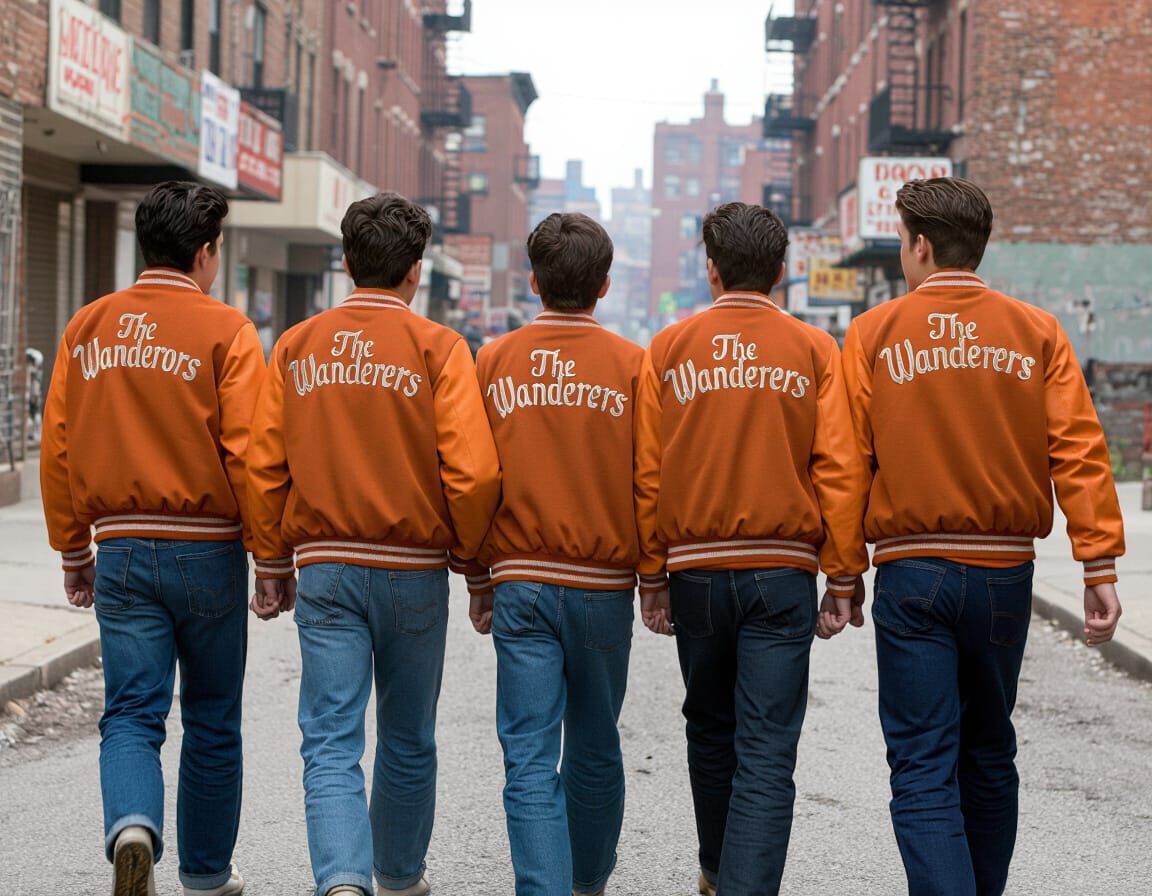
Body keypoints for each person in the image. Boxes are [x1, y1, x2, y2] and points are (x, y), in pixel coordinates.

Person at [840, 176, 1125, 896]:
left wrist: (842, 571)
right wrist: (1098, 564)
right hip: (1003, 572)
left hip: (911, 572)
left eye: (903, 244)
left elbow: (844, 464)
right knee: (991, 750)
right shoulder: (1036, 332)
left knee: (923, 760)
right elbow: (1080, 449)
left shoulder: (874, 334)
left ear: (923, 245)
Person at [245, 191, 500, 896]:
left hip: (325, 566)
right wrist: (471, 558)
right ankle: (398, 878)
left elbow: (264, 464)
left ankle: (342, 879)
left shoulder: (295, 346)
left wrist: (270, 560)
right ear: (416, 270)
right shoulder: (440, 349)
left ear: (347, 261)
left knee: (329, 738)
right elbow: (474, 473)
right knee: (409, 735)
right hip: (415, 569)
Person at [633, 202, 868, 896]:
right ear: (783, 271)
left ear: (711, 269)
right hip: (782, 571)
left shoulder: (668, 350)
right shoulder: (814, 350)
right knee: (767, 746)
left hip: (698, 572)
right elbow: (840, 469)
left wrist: (652, 572)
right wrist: (844, 574)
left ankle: (714, 869)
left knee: (708, 725)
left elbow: (649, 471)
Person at [40, 181, 265, 896]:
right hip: (208, 549)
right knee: (211, 716)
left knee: (132, 711)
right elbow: (249, 455)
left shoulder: (87, 327)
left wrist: (74, 548)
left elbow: (59, 448)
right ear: (204, 253)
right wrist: (271, 555)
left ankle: (133, 823)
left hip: (125, 548)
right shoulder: (227, 332)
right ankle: (204, 875)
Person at [463, 213, 650, 896]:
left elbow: (476, 477)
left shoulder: (493, 360)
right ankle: (587, 882)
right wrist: (653, 574)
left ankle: (544, 888)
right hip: (603, 584)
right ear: (603, 285)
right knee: (597, 745)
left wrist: (477, 572)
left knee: (529, 755)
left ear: (534, 280)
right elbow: (648, 477)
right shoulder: (634, 365)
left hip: (520, 581)